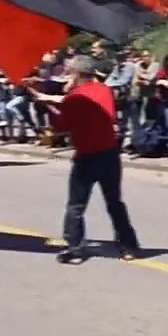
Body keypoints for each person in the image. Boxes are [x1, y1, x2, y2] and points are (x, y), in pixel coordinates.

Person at [29, 55, 142, 263]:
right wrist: (51, 99)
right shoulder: (103, 91)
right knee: (114, 202)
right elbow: (83, 105)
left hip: (87, 157)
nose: (66, 76)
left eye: (69, 72)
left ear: (77, 73)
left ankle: (75, 248)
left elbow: (62, 126)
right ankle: (129, 246)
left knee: (76, 205)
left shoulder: (74, 97)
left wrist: (50, 107)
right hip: (109, 155)